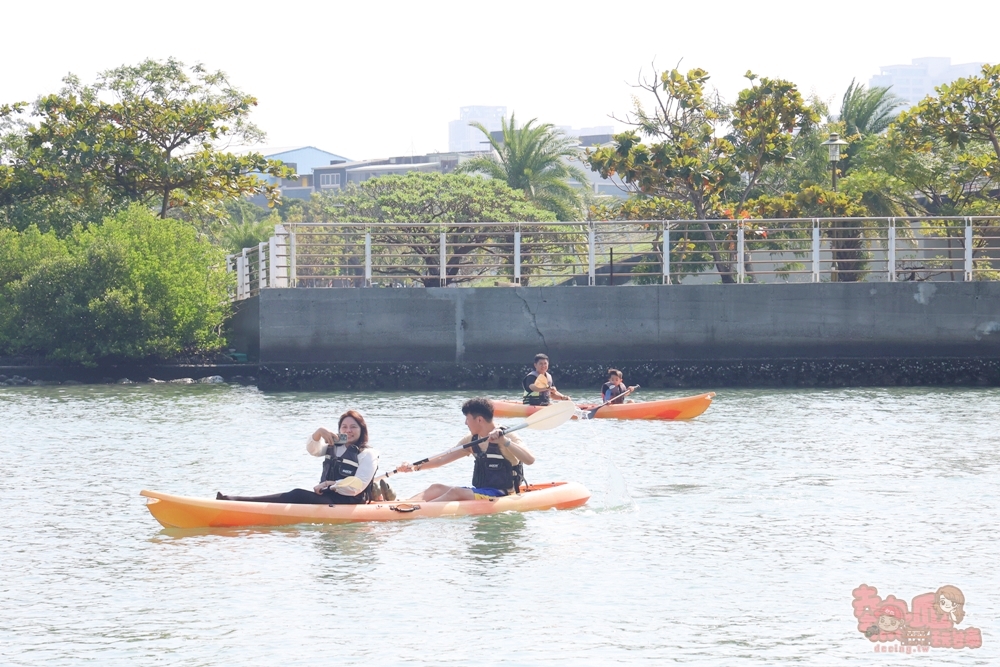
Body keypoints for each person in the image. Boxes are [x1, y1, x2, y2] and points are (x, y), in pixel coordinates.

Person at [217, 410, 379, 504]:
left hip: (349, 502)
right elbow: (313, 450)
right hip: (327, 498)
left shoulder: (367, 453)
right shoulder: (334, 447)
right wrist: (318, 433)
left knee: (297, 494)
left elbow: (357, 486)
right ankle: (236, 501)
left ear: (361, 430)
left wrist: (329, 484)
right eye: (344, 427)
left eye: (353, 427)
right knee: (297, 495)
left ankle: (235, 501)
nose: (348, 431)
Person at [398, 397, 535, 502]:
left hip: (503, 493)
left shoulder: (507, 435)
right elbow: (442, 459)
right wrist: (414, 467)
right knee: (436, 488)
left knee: (455, 492)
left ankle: (419, 510)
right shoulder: (471, 440)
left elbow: (530, 460)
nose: (465, 423)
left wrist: (504, 442)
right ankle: (404, 504)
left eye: (467, 419)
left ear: (479, 420)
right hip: (482, 490)